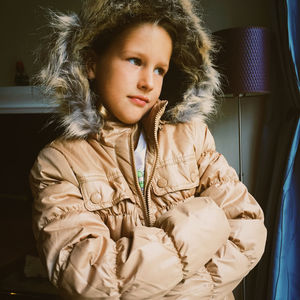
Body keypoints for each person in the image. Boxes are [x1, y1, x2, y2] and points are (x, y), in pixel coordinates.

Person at [29, 0, 267, 299]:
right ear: (91, 63)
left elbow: (248, 229)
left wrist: (166, 290)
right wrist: (208, 221)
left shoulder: (193, 137)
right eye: (134, 61)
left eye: (159, 69)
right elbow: (86, 274)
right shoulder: (58, 163)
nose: (148, 83)